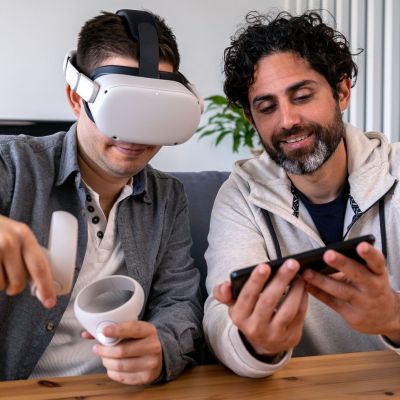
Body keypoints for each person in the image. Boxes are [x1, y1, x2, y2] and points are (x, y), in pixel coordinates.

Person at [0, 10, 203, 384]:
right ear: (76, 99)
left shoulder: (168, 198)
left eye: (152, 112)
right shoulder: (13, 165)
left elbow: (179, 301)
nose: (135, 133)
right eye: (121, 108)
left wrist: (161, 348)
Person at [204, 10, 400, 378]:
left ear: (341, 91)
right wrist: (255, 345)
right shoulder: (240, 197)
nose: (287, 120)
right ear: (251, 119)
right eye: (266, 107)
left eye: (302, 96)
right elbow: (219, 317)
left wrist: (393, 315)